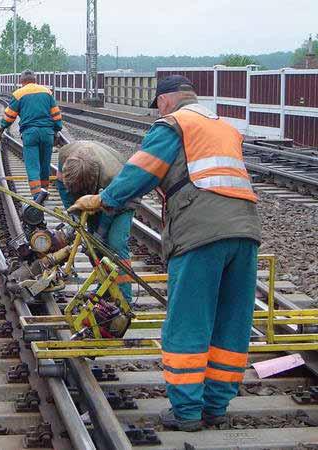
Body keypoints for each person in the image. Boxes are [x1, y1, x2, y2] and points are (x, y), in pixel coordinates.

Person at [68, 75, 261, 431]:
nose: (157, 109)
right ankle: (216, 405)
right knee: (230, 322)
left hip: (202, 233)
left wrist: (103, 200)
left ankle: (187, 412)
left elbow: (139, 172)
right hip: (246, 231)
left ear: (167, 100)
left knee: (189, 319)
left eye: (157, 103)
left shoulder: (174, 124)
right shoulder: (221, 126)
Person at [57, 140, 137, 302]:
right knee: (92, 245)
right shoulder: (65, 158)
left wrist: (100, 233)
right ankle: (105, 288)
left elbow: (110, 209)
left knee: (115, 243)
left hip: (122, 198)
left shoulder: (111, 175)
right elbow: (62, 188)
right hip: (97, 194)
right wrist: (73, 214)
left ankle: (124, 298)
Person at [0, 69, 63, 197]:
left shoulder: (19, 94)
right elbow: (56, 114)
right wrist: (57, 128)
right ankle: (44, 190)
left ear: (21, 81)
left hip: (30, 134)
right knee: (45, 165)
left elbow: (9, 116)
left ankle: (37, 196)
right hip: (47, 133)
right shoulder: (46, 92)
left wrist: (2, 126)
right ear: (35, 80)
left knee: (33, 167)